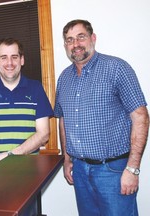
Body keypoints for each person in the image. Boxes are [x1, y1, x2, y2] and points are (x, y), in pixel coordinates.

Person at [53, 19, 149, 216]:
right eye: (69, 40)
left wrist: (133, 169)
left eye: (81, 37)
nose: (75, 44)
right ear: (65, 45)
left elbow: (140, 117)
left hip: (113, 171)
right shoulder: (64, 78)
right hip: (79, 170)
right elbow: (63, 120)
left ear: (93, 38)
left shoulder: (117, 68)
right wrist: (67, 158)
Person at [0, 37, 53, 170]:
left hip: (30, 174)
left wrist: (10, 157)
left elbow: (43, 134)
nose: (9, 63)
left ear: (22, 60)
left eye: (14, 57)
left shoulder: (36, 88)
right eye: (4, 57)